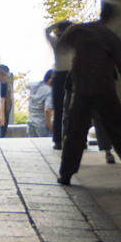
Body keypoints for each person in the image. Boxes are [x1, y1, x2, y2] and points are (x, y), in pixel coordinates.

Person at [57, 2, 121, 186]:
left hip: (81, 89)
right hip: (104, 90)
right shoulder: (111, 37)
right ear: (111, 17)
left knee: (75, 132)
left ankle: (66, 174)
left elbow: (61, 44)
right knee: (119, 131)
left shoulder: (79, 30)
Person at [45, 19, 74, 149]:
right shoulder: (74, 43)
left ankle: (58, 140)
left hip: (61, 75)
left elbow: (46, 31)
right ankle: (70, 140)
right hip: (70, 75)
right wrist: (71, 25)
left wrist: (58, 24)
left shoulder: (56, 42)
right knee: (73, 109)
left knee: (60, 110)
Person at [26, 69, 54, 137]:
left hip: (30, 123)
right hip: (42, 125)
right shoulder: (49, 91)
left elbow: (27, 85)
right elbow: (47, 110)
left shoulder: (35, 86)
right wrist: (50, 125)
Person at [0, 70, 14, 139]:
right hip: (3, 111)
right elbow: (2, 100)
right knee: (2, 131)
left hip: (6, 110)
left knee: (3, 130)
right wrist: (2, 115)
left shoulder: (6, 84)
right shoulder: (2, 85)